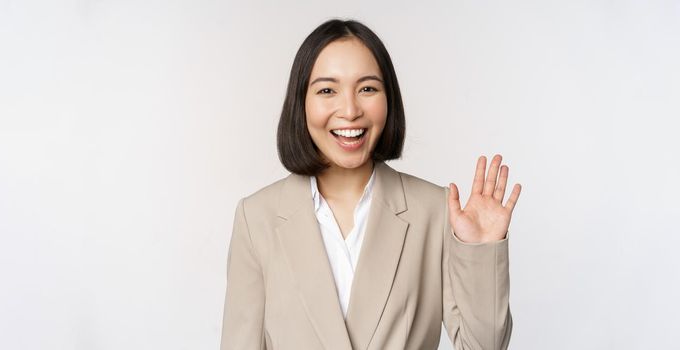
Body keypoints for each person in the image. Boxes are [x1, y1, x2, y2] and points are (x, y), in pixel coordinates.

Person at [221, 18, 522, 350]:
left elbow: (484, 346)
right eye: (326, 90)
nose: (350, 111)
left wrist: (479, 252)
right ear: (301, 102)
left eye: (367, 88)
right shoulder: (257, 217)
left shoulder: (433, 211)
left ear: (388, 98)